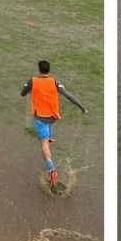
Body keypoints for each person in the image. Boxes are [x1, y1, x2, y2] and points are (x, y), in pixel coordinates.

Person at [20, 60, 87, 188]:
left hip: (41, 118)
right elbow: (68, 96)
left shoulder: (32, 81)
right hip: (53, 117)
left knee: (44, 145)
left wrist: (29, 89)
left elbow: (23, 93)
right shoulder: (55, 82)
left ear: (39, 70)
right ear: (49, 70)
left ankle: (51, 171)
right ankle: (50, 136)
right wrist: (82, 107)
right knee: (48, 127)